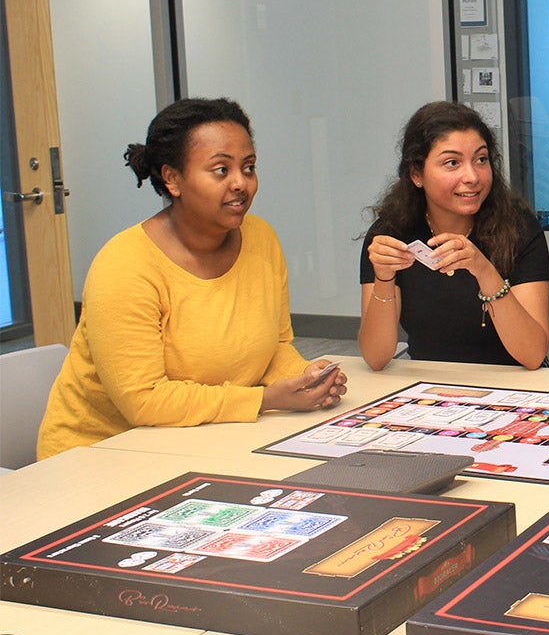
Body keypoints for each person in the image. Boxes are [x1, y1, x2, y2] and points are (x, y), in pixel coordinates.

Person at [37, 98, 347, 459]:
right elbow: (144, 400)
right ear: (173, 179)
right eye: (221, 170)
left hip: (203, 441)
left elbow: (274, 347)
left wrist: (307, 376)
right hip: (99, 456)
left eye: (248, 168)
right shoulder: (124, 265)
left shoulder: (261, 238)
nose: (241, 183)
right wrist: (263, 400)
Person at [359, 101, 549, 369]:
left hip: (513, 382)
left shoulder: (519, 228)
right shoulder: (391, 234)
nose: (472, 176)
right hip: (430, 384)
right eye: (452, 163)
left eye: (481, 160)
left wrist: (483, 270)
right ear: (416, 174)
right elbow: (376, 357)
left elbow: (532, 355)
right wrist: (383, 278)